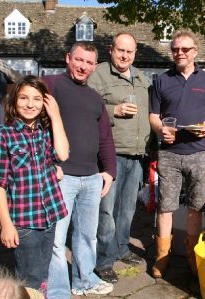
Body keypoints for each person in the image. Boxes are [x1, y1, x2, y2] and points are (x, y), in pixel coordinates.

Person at [43, 42, 117, 297]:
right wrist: (47, 163)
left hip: (91, 177)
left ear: (94, 66)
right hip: (61, 178)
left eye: (89, 62)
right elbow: (31, 122)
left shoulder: (96, 99)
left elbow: (106, 138)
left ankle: (84, 280)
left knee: (87, 237)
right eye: (79, 60)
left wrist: (109, 171)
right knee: (56, 240)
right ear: (67, 58)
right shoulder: (50, 85)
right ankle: (58, 290)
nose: (83, 66)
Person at [149, 29, 205, 278]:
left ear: (195, 52)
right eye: (175, 49)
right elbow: (153, 116)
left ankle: (192, 254)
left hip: (199, 152)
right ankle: (163, 256)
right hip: (170, 153)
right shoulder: (162, 80)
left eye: (184, 49)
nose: (179, 53)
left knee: (196, 206)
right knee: (166, 206)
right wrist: (162, 129)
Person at [0, 75, 69, 295]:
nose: (30, 104)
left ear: (45, 103)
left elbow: (62, 154)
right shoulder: (2, 135)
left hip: (50, 216)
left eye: (36, 99)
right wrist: (6, 224)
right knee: (29, 277)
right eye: (24, 98)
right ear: (14, 101)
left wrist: (56, 118)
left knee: (43, 274)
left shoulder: (45, 132)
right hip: (24, 222)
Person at [87, 32, 150, 283]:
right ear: (111, 49)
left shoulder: (142, 77)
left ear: (135, 53)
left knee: (127, 210)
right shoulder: (98, 74)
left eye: (130, 52)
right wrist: (115, 110)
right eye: (120, 50)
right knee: (106, 212)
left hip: (136, 155)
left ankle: (122, 248)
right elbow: (88, 108)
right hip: (109, 155)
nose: (125, 56)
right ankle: (103, 260)